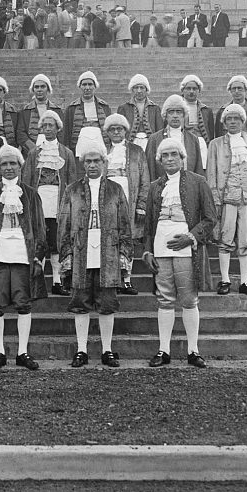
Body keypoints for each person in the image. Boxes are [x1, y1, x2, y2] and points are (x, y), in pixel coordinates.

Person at [143, 138, 217, 369]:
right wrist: (147, 251)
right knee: (164, 299)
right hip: (161, 247)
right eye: (165, 156)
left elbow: (210, 218)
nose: (170, 159)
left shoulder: (198, 182)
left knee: (188, 299)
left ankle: (193, 350)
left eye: (174, 154)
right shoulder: (155, 187)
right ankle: (163, 350)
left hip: (187, 247)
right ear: (160, 160)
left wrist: (191, 237)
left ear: (183, 157)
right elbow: (148, 224)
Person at [58, 141, 132, 368]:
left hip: (108, 251)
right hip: (81, 250)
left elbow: (124, 225)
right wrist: (66, 254)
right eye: (88, 161)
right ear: (83, 164)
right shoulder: (72, 190)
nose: (92, 165)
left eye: (96, 161)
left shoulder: (115, 189)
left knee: (107, 301)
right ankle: (81, 350)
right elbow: (64, 223)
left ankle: (107, 350)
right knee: (80, 300)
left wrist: (125, 254)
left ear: (104, 162)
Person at [0, 144, 46, 371]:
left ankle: (23, 352)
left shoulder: (31, 194)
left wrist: (38, 258)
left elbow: (39, 228)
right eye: (4, 164)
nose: (8, 168)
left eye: (12, 163)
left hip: (23, 255)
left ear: (20, 166)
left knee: (23, 304)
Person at [207, 104, 247, 297]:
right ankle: (224, 280)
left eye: (237, 119)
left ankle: (244, 281)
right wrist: (215, 200)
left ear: (243, 121)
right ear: (224, 123)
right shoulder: (215, 144)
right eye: (229, 119)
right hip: (226, 199)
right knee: (225, 238)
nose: (233, 122)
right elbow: (212, 175)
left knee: (246, 239)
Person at [21, 110, 76, 296]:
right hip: (39, 200)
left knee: (55, 242)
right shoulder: (34, 153)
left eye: (51, 125)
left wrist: (69, 204)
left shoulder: (66, 153)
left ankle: (57, 281)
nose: (47, 129)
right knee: (38, 240)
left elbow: (72, 180)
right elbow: (27, 179)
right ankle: (36, 281)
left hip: (58, 201)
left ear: (58, 128)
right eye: (44, 126)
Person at [103, 113, 150, 296]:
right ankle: (111, 279)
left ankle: (127, 280)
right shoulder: (102, 149)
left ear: (126, 131)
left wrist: (141, 205)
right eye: (112, 129)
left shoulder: (136, 151)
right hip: (107, 198)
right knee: (109, 237)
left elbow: (145, 180)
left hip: (130, 198)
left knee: (127, 239)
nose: (116, 132)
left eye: (120, 129)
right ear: (107, 132)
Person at [145, 95, 204, 180]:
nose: (175, 116)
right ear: (166, 115)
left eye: (179, 112)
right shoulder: (154, 139)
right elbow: (150, 169)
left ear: (184, 115)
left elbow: (198, 169)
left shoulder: (193, 139)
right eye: (171, 112)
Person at [64, 70, 112, 154]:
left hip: (99, 141)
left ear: (95, 86)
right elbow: (67, 131)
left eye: (90, 84)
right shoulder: (71, 108)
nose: (87, 88)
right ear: (80, 86)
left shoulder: (104, 107)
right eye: (84, 85)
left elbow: (109, 128)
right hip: (80, 142)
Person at [16, 73, 63, 155]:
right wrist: (32, 148)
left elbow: (61, 132)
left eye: (43, 86)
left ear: (48, 89)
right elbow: (20, 133)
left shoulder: (56, 110)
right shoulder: (25, 111)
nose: (39, 89)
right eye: (36, 87)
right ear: (33, 90)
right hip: (31, 151)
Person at [116, 74, 162, 152]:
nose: (139, 90)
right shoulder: (123, 108)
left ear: (146, 89)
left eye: (142, 87)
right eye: (136, 87)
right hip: (130, 142)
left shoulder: (155, 108)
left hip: (150, 142)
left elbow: (159, 129)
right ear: (132, 89)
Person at [215, 75, 247, 142]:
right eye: (233, 89)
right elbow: (219, 134)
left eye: (239, 88)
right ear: (230, 91)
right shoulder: (223, 111)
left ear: (246, 89)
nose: (236, 91)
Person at [179, 74, 216, 149]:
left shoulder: (206, 110)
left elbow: (210, 133)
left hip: (201, 144)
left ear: (199, 91)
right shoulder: (176, 109)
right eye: (188, 88)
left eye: (194, 89)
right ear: (183, 90)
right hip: (182, 143)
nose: (191, 91)